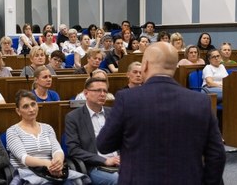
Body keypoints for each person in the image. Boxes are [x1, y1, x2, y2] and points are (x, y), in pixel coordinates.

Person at [96, 42, 225, 185]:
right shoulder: (200, 101)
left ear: (145, 66)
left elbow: (104, 144)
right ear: (175, 67)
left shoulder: (127, 99)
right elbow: (217, 155)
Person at [7, 90, 88, 184]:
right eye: (25, 106)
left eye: (33, 104)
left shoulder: (47, 128)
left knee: (73, 182)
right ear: (18, 111)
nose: (31, 109)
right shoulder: (12, 131)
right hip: (27, 173)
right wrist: (47, 164)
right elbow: (24, 158)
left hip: (52, 171)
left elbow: (57, 150)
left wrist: (58, 162)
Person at [65, 77, 119, 185]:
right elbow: (74, 149)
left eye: (105, 91)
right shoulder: (74, 117)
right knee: (118, 179)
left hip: (120, 162)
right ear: (86, 93)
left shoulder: (112, 113)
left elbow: (123, 139)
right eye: (98, 90)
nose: (103, 94)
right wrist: (104, 160)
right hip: (95, 166)